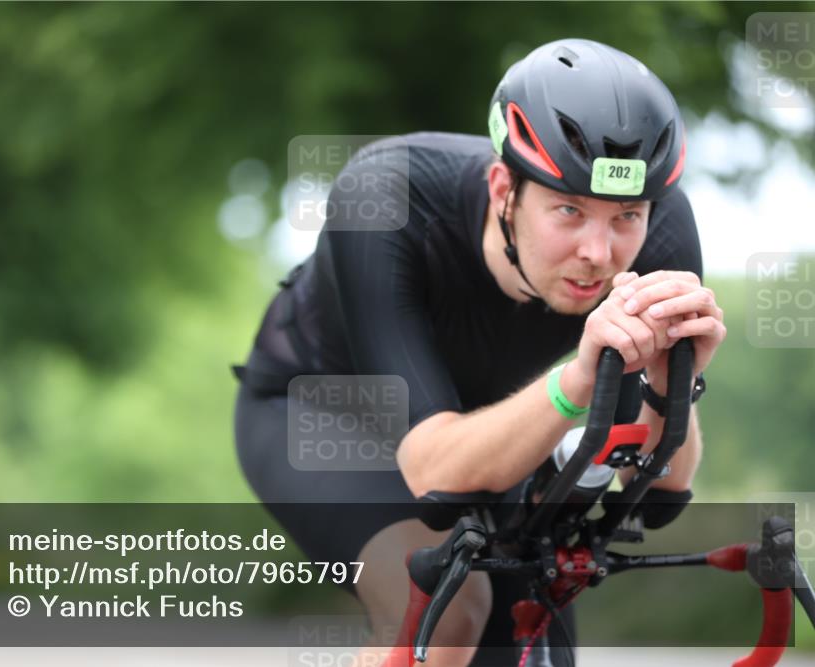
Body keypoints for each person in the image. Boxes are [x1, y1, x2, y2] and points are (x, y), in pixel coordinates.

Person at [233, 38, 726, 667]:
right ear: (502, 189)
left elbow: (658, 494)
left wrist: (672, 384)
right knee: (446, 615)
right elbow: (434, 470)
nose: (598, 253)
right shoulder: (386, 195)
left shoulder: (666, 234)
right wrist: (577, 380)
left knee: (531, 633)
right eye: (568, 210)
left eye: (626, 216)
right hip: (322, 415)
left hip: (493, 422)